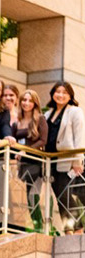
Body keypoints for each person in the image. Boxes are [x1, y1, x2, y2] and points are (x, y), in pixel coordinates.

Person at [45, 80, 85, 228]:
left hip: (69, 160)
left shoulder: (75, 111)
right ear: (52, 94)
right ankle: (69, 229)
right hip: (53, 161)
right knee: (60, 197)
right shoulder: (48, 114)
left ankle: (78, 228)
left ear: (70, 96)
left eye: (64, 92)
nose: (60, 95)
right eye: (58, 92)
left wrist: (77, 161)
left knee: (67, 195)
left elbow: (79, 137)